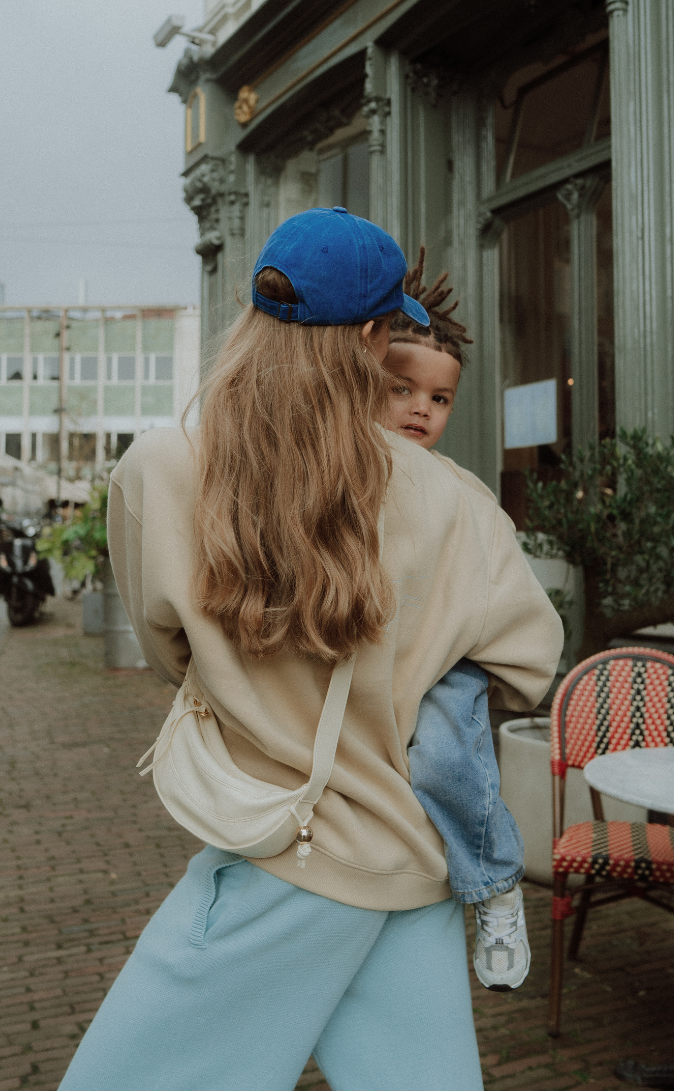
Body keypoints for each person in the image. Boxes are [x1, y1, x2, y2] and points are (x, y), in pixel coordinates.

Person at [58, 208, 562, 1091]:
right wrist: (407, 690)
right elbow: (526, 663)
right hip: (411, 856)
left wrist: (257, 689)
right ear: (371, 337)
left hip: (281, 859)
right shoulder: (457, 501)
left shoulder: (162, 470)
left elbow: (172, 649)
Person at [383, 248, 532, 991]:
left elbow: (496, 573)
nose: (421, 409)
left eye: (439, 399)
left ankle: (494, 883)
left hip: (448, 657)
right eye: (402, 389)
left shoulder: (462, 487)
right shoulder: (343, 465)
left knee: (446, 755)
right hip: (382, 650)